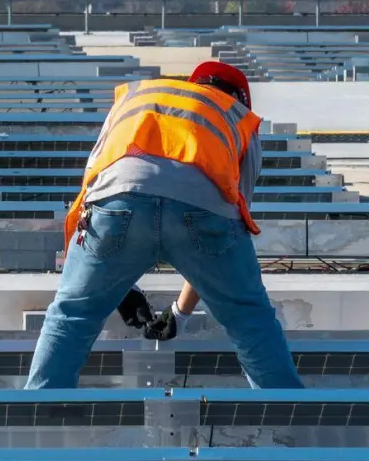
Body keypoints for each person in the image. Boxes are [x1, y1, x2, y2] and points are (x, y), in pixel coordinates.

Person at [25, 61, 303, 389]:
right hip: (202, 210)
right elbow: (226, 227)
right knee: (250, 320)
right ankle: (285, 416)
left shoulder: (139, 98)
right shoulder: (236, 116)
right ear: (240, 98)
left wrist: (121, 290)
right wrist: (180, 314)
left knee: (71, 316)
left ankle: (42, 411)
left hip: (116, 202)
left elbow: (93, 188)